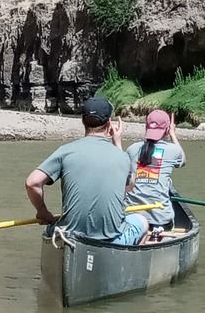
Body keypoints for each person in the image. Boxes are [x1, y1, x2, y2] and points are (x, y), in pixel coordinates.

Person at [24, 96, 150, 246]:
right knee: (142, 221)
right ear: (109, 123)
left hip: (69, 235)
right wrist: (117, 142)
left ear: (83, 121)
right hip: (109, 239)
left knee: (54, 228)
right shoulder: (122, 157)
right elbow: (129, 187)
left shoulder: (65, 151)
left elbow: (32, 183)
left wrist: (42, 211)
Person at [123, 108, 185, 239]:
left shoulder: (132, 149)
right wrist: (173, 134)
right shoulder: (174, 150)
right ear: (167, 129)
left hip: (132, 216)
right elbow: (182, 161)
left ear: (146, 127)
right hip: (160, 220)